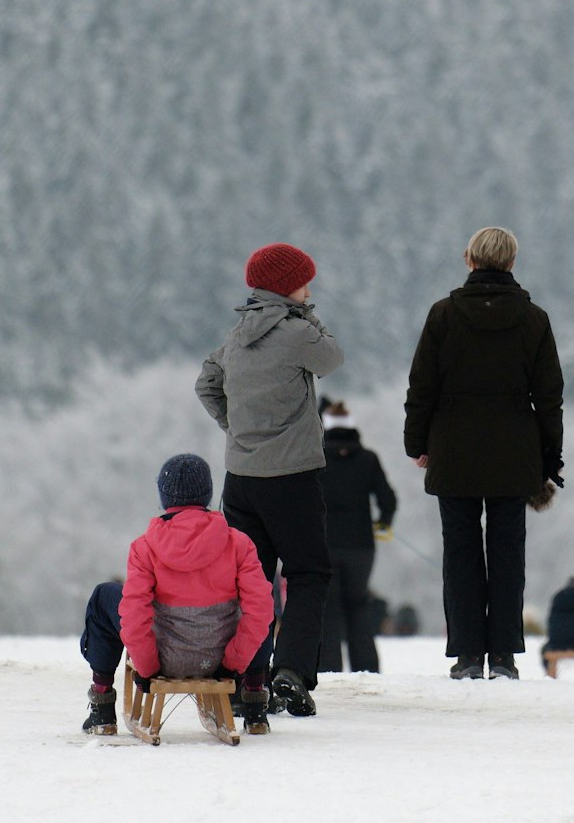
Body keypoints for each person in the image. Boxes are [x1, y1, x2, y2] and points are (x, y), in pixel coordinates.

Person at [404, 227, 565, 682]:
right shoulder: (534, 319)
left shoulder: (442, 316)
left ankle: (468, 655)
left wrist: (417, 443)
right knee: (508, 553)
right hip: (515, 454)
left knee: (460, 552)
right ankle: (504, 657)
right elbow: (549, 396)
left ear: (469, 259)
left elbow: (422, 387)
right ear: (512, 263)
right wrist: (549, 457)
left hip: (453, 450)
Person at [195, 241, 343, 724]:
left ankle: (245, 679)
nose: (310, 288)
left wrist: (235, 428)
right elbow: (333, 358)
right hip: (293, 476)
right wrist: (309, 318)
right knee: (307, 574)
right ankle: (293, 672)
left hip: (241, 478)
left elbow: (206, 384)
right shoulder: (299, 333)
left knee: (250, 582)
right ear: (288, 288)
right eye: (305, 282)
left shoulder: (237, 336)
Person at [79, 454, 275, 736]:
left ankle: (101, 706)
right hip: (221, 656)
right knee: (260, 601)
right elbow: (260, 613)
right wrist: (233, 664)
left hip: (163, 657)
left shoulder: (144, 547)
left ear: (165, 496)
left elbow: (134, 616)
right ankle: (255, 702)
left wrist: (147, 669)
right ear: (207, 493)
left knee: (104, 596)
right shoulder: (238, 543)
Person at [316, 400, 397, 674]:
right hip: (361, 546)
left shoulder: (316, 458)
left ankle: (329, 669)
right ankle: (367, 670)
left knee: (328, 609)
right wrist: (383, 523)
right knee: (358, 605)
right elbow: (389, 499)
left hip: (324, 544)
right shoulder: (368, 459)